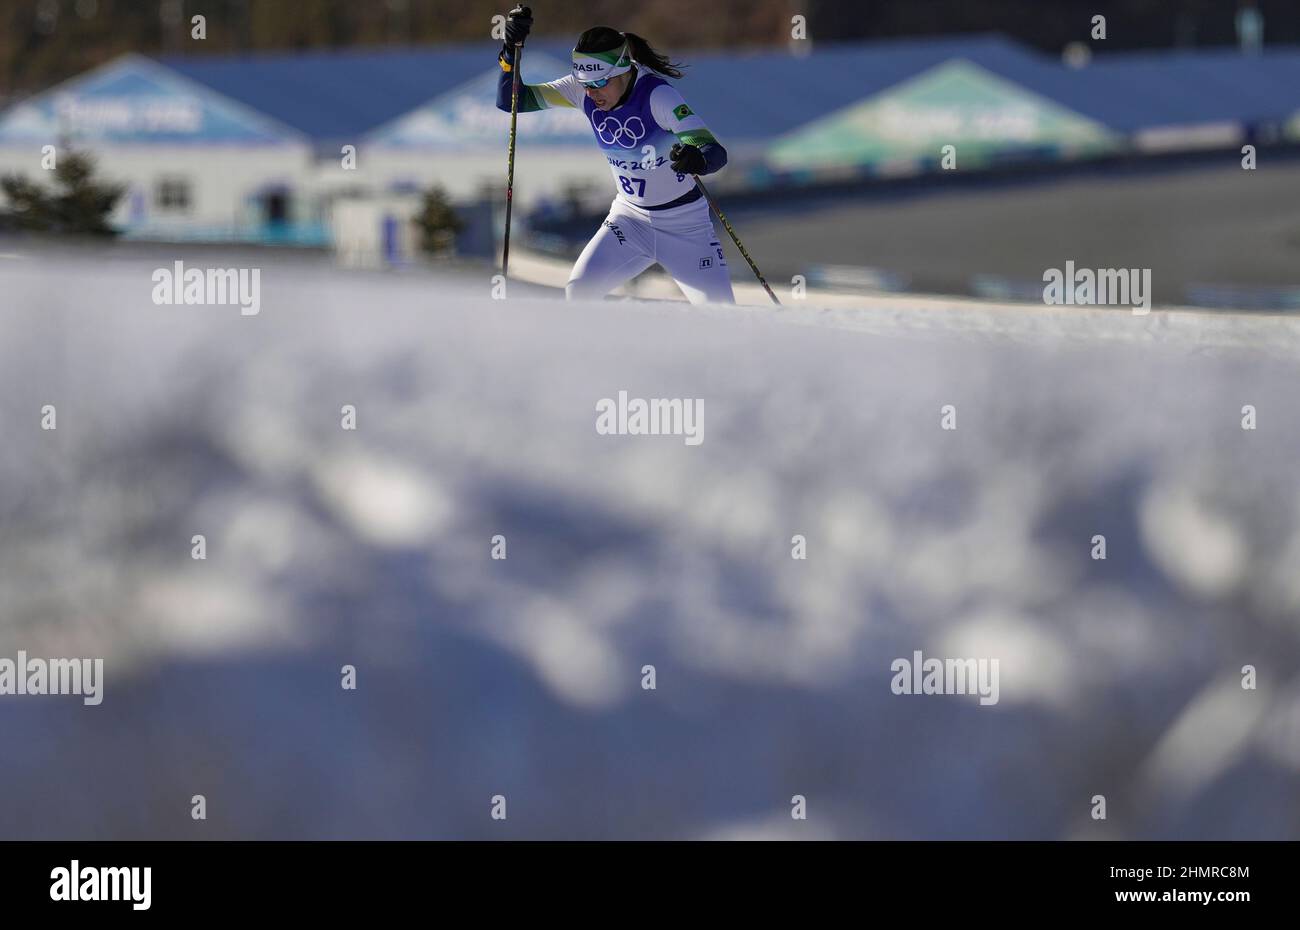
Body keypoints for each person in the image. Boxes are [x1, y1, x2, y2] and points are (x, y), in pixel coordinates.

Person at [496, 6, 735, 304]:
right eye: (585, 84)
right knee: (579, 292)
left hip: (685, 227)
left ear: (623, 69)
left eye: (599, 83)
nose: (592, 93)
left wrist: (696, 158)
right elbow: (511, 101)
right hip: (629, 220)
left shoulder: (658, 96)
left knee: (721, 314)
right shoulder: (580, 90)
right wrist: (509, 52)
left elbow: (715, 152)